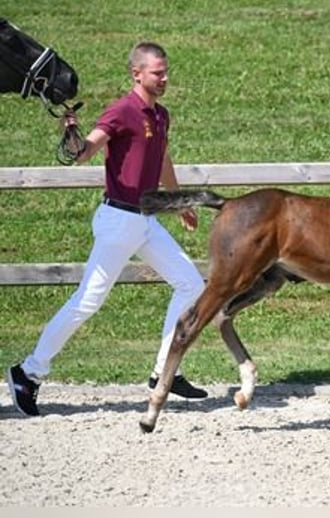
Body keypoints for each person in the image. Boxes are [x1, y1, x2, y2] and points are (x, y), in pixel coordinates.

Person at [7, 41, 208, 416]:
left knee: (191, 284)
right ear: (137, 74)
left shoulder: (161, 115)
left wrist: (179, 201)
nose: (164, 78)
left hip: (145, 219)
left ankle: (164, 371)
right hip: (119, 221)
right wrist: (71, 132)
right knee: (87, 302)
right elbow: (83, 151)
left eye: (165, 72)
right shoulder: (122, 110)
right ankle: (28, 372)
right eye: (157, 73)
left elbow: (162, 156)